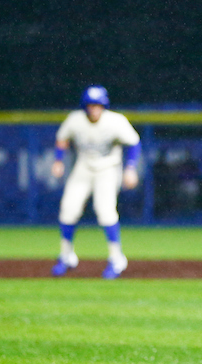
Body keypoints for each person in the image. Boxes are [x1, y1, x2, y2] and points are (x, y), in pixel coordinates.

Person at [50, 85, 141, 279]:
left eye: (98, 104)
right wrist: (58, 160)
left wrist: (131, 168)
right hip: (83, 166)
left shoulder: (115, 121)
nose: (94, 108)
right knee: (68, 208)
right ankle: (66, 255)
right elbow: (62, 139)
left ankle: (116, 258)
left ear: (104, 105)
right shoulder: (75, 120)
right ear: (85, 106)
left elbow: (133, 143)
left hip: (108, 167)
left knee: (105, 211)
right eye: (90, 105)